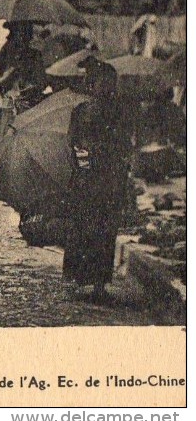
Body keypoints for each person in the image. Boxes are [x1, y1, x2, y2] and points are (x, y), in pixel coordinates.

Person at [64, 57, 130, 301]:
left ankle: (99, 284)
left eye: (110, 83)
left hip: (108, 179)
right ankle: (81, 279)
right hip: (88, 178)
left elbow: (124, 146)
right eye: (102, 83)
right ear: (92, 86)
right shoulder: (81, 111)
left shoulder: (118, 112)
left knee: (103, 230)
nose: (106, 88)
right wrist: (85, 166)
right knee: (85, 227)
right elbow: (74, 143)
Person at [0, 23, 46, 167]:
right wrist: (12, 71)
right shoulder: (3, 54)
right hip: (11, 100)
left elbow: (41, 81)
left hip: (25, 100)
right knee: (7, 134)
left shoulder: (32, 55)